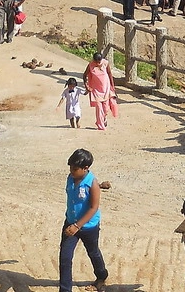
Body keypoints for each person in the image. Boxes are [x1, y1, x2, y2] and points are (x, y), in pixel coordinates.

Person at [59, 148, 109, 292]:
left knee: (93, 252)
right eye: (70, 168)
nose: (71, 171)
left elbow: (93, 208)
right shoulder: (71, 178)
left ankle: (101, 276)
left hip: (88, 227)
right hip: (70, 223)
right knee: (65, 257)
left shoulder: (92, 183)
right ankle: (65, 289)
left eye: (75, 169)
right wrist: (72, 224)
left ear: (85, 168)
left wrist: (77, 225)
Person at [83, 53, 117, 131]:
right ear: (94, 60)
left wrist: (112, 86)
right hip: (96, 90)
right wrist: (86, 86)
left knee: (105, 109)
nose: (98, 63)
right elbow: (84, 75)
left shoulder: (105, 63)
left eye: (99, 61)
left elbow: (109, 74)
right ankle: (100, 126)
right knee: (99, 108)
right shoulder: (90, 65)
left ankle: (103, 119)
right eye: (96, 62)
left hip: (106, 89)